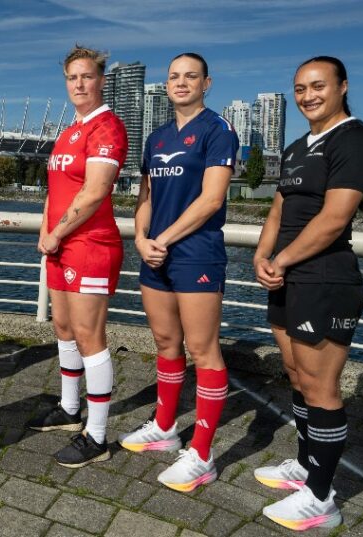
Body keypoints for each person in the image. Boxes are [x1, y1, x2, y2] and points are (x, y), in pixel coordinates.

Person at [252, 56, 363, 531]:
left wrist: (281, 261)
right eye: (300, 88)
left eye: (318, 86)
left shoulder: (355, 139)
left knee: (322, 387)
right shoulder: (296, 146)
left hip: (325, 278)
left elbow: (334, 218)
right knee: (297, 375)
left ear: (343, 87)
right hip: (287, 278)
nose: (308, 96)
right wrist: (262, 256)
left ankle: (322, 499)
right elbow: (277, 212)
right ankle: (307, 466)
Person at [118, 53, 238, 492]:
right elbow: (145, 196)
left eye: (191, 76)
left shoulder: (217, 130)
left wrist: (163, 240)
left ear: (207, 82)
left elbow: (210, 200)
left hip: (195, 254)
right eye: (174, 76)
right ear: (166, 85)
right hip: (155, 254)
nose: (181, 82)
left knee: (204, 350)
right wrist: (140, 237)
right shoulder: (156, 137)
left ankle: (203, 454)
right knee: (167, 343)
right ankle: (165, 428)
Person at [25, 45, 127, 468]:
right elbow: (56, 189)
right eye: (72, 78)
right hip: (61, 244)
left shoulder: (108, 128)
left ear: (101, 81)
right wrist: (47, 231)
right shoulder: (69, 130)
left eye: (87, 76)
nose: (79, 84)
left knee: (89, 335)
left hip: (91, 245)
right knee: (63, 327)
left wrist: (59, 232)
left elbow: (95, 191)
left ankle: (98, 436)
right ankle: (70, 410)